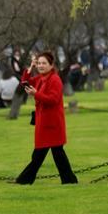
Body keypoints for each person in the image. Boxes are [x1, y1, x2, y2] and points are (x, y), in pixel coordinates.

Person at [15, 52, 78, 185]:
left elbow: (53, 100)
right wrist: (30, 68)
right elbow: (24, 83)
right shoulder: (40, 78)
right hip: (43, 123)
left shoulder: (55, 79)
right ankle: (70, 181)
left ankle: (23, 181)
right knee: (55, 155)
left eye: (44, 63)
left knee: (41, 155)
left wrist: (36, 94)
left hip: (52, 124)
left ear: (51, 65)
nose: (41, 66)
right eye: (39, 63)